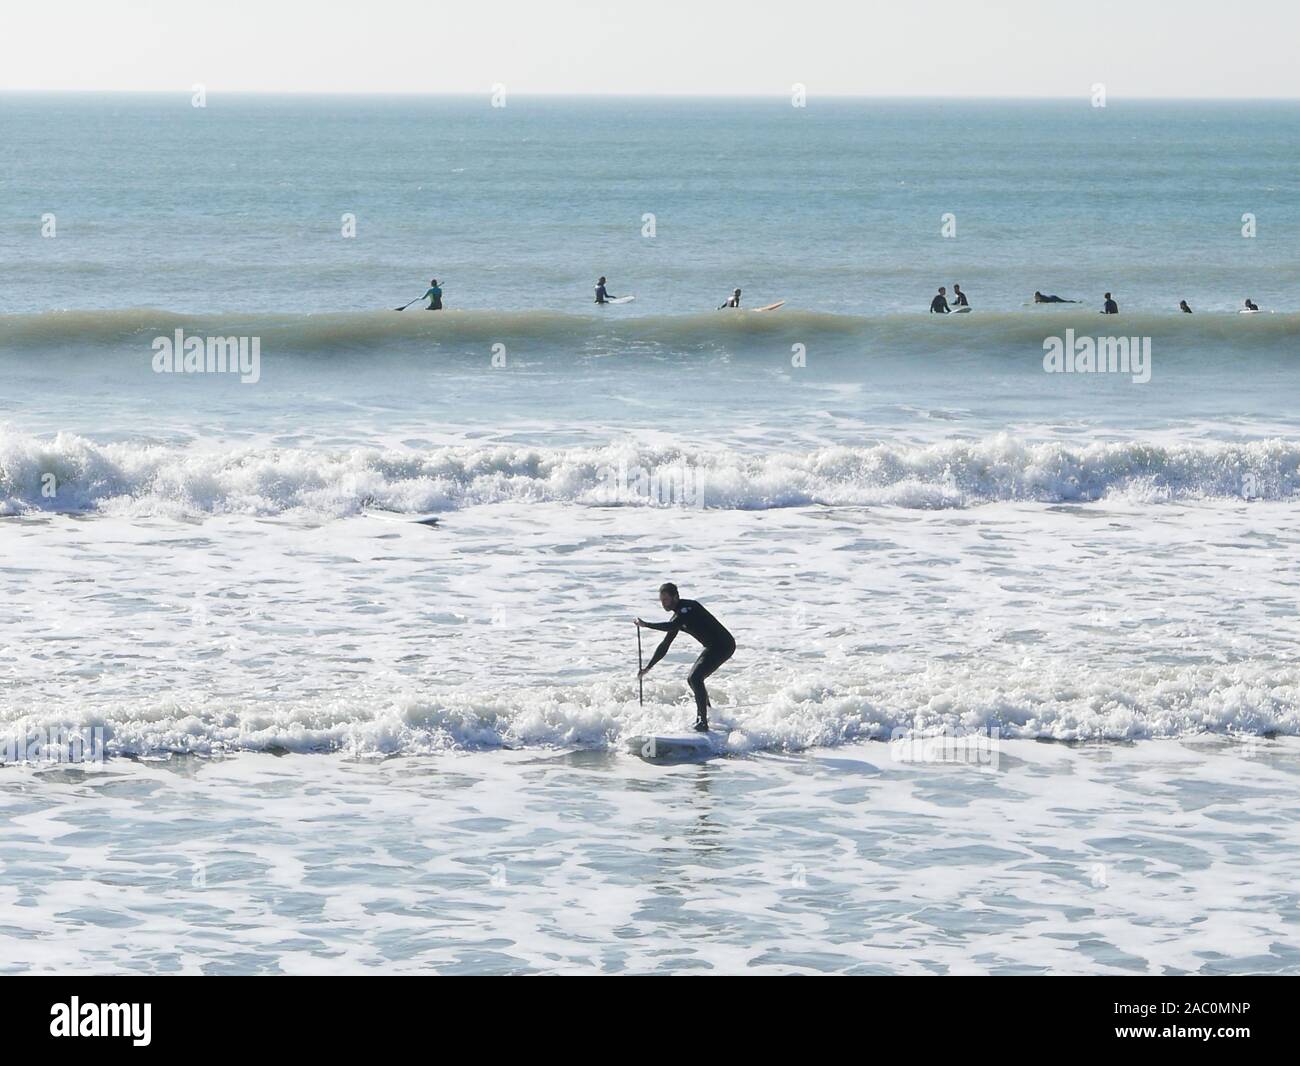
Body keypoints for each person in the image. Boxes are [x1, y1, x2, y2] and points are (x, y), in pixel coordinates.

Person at [636, 583, 736, 732]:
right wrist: (648, 668)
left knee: (695, 678)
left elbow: (671, 626)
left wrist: (646, 624)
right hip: (712, 647)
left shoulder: (688, 608)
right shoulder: (678, 617)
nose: (663, 603)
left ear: (675, 597)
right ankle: (708, 715)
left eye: (666, 600)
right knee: (693, 679)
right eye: (661, 600)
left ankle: (703, 722)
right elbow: (665, 644)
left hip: (724, 645)